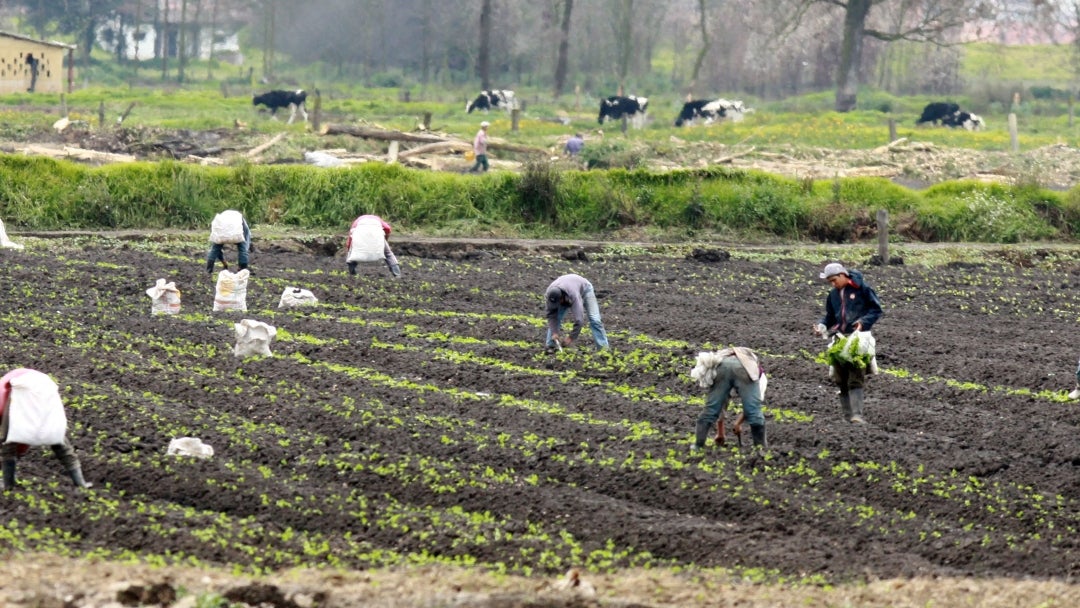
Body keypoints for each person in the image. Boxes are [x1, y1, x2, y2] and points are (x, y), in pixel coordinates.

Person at [814, 262, 883, 424]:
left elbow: (876, 309)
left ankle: (857, 415)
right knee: (840, 378)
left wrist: (863, 322)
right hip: (840, 338)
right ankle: (847, 416)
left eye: (834, 280)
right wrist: (822, 326)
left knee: (855, 376)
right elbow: (830, 316)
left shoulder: (862, 289)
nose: (833, 284)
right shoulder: (833, 295)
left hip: (859, 338)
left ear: (843, 275)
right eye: (830, 282)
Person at [1, 368, 91, 491]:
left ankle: (8, 486)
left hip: (22, 389)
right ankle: (81, 484)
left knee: (8, 441)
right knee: (56, 437)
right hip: (46, 387)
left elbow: (13, 438)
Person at [690, 348, 768, 450]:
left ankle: (698, 446)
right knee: (754, 412)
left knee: (711, 408)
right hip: (744, 368)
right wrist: (737, 423)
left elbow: (721, 403)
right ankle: (760, 448)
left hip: (722, 365)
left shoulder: (727, 356)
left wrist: (722, 431)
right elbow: (752, 406)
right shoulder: (760, 375)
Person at [545, 274, 609, 350]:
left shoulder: (573, 295)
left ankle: (603, 349)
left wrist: (571, 338)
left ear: (562, 297)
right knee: (557, 317)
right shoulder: (549, 295)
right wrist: (554, 332)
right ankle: (550, 346)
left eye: (558, 302)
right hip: (566, 290)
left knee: (595, 319)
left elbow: (579, 320)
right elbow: (551, 315)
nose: (557, 305)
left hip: (585, 289)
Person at [346, 214, 401, 278]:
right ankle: (397, 274)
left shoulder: (357, 221)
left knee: (351, 253)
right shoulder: (377, 219)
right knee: (388, 253)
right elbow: (388, 228)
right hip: (376, 236)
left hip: (360, 236)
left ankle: (352, 273)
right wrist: (385, 239)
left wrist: (349, 247)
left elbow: (351, 235)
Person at [206, 209, 251, 274]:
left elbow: (217, 250)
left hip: (223, 224)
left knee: (215, 248)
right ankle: (242, 270)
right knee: (243, 248)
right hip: (236, 223)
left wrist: (224, 262)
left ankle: (209, 270)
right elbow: (245, 248)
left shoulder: (225, 217)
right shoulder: (245, 228)